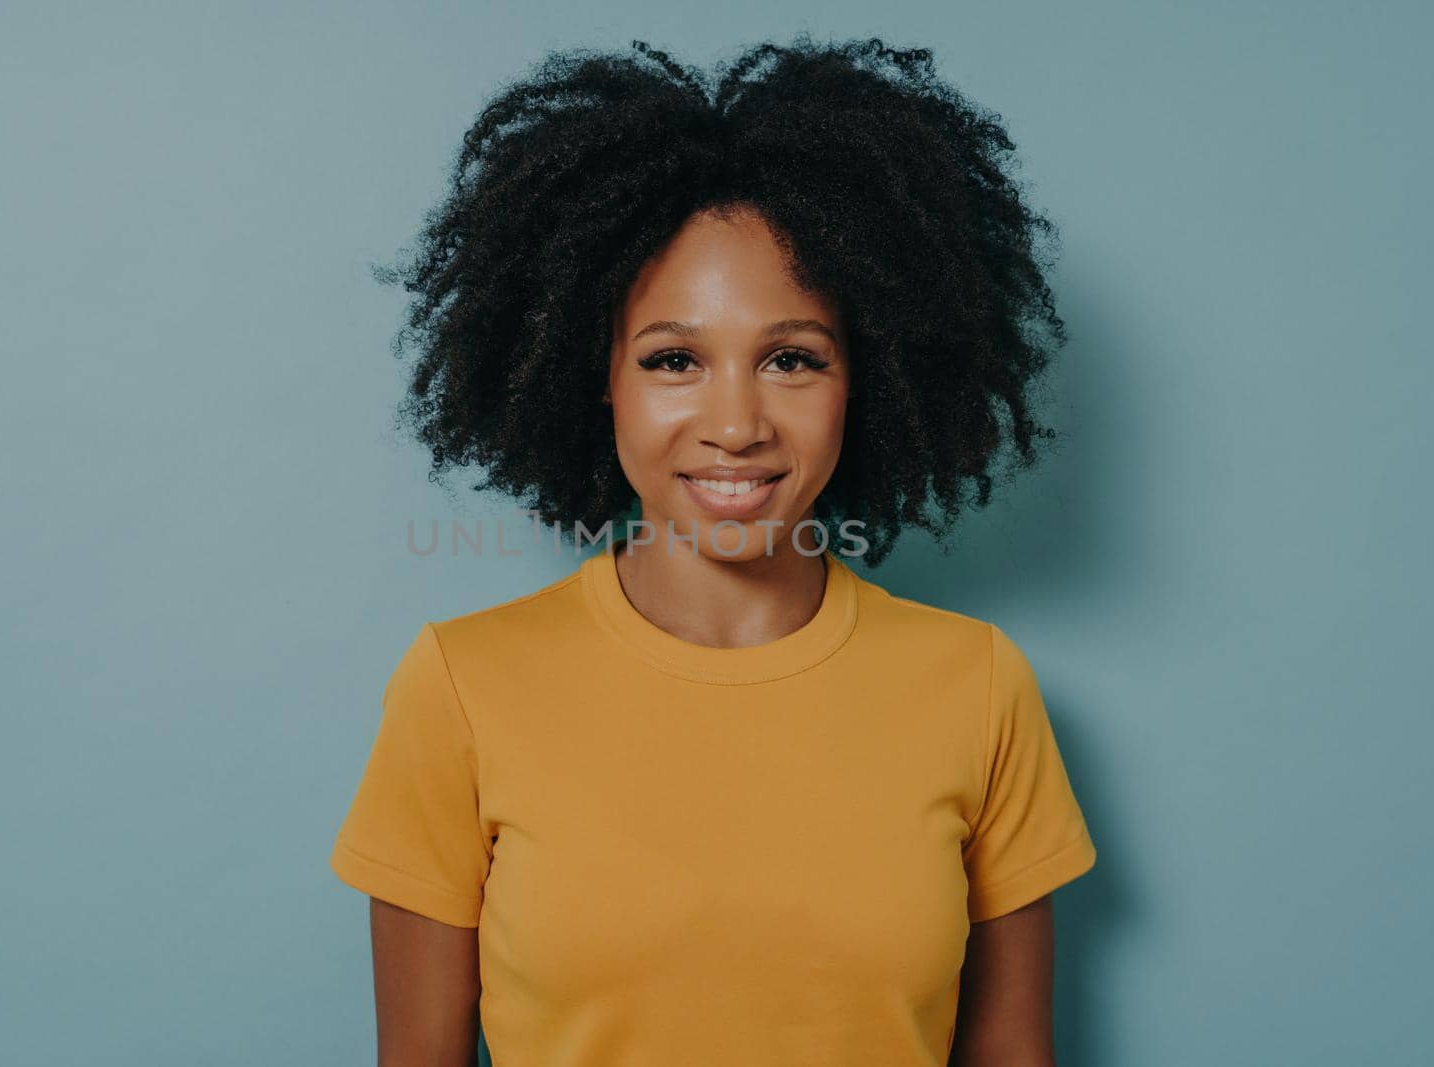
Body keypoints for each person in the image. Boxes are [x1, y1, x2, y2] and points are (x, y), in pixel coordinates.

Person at [330, 35, 1096, 1067]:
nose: (735, 423)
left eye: (791, 357)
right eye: (673, 358)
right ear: (590, 372)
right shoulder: (462, 688)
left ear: (865, 377)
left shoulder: (977, 686)